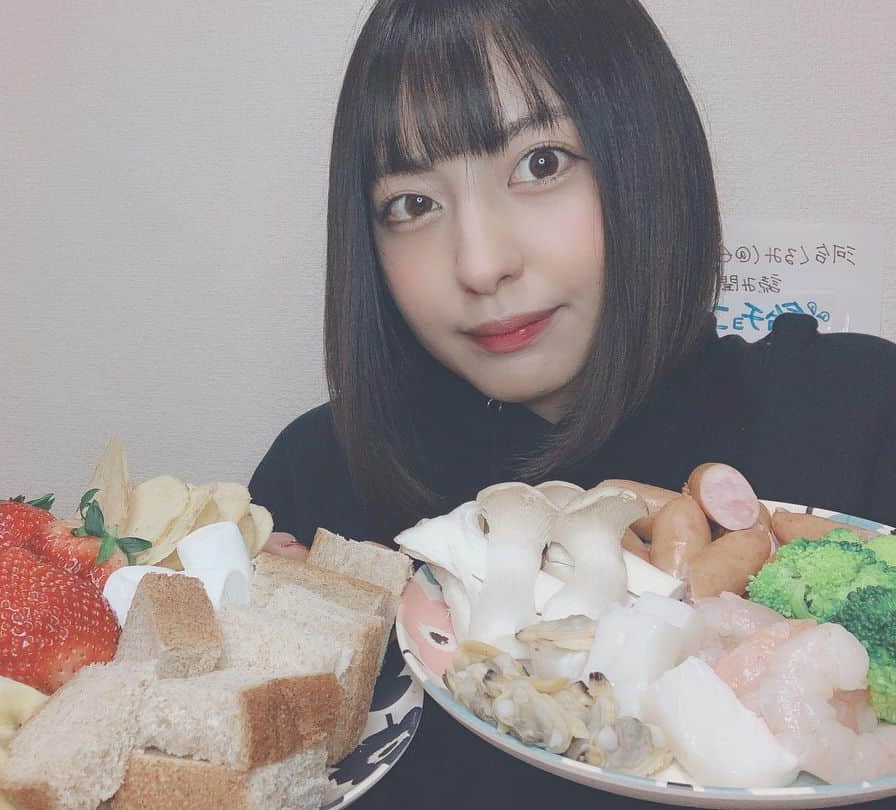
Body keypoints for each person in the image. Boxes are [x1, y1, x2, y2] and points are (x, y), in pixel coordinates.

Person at [250, 0, 896, 806]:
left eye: (541, 163)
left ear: (646, 154)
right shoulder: (321, 479)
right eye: (412, 204)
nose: (480, 264)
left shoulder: (861, 413)